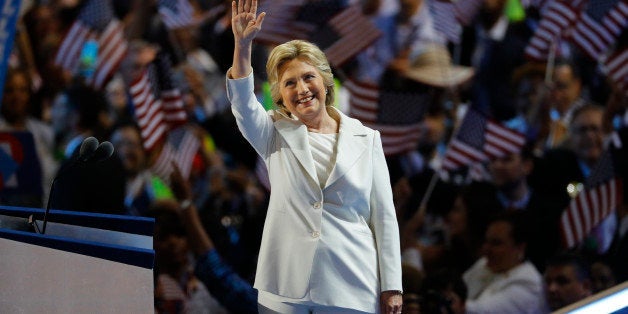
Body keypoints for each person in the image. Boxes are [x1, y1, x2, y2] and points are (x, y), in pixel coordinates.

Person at [226, 1, 403, 313]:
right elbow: (242, 105)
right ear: (280, 96)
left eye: (308, 77)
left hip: (352, 287)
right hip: (285, 289)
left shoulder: (368, 139)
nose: (302, 88)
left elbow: (384, 219)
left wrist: (392, 286)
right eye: (290, 83)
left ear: (325, 80)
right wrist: (243, 46)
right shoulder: (272, 133)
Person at [462, 212, 545, 314]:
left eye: (496, 243)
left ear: (519, 248)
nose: (486, 249)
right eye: (486, 241)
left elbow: (484, 311)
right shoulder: (483, 264)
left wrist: (455, 306)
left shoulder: (529, 284)